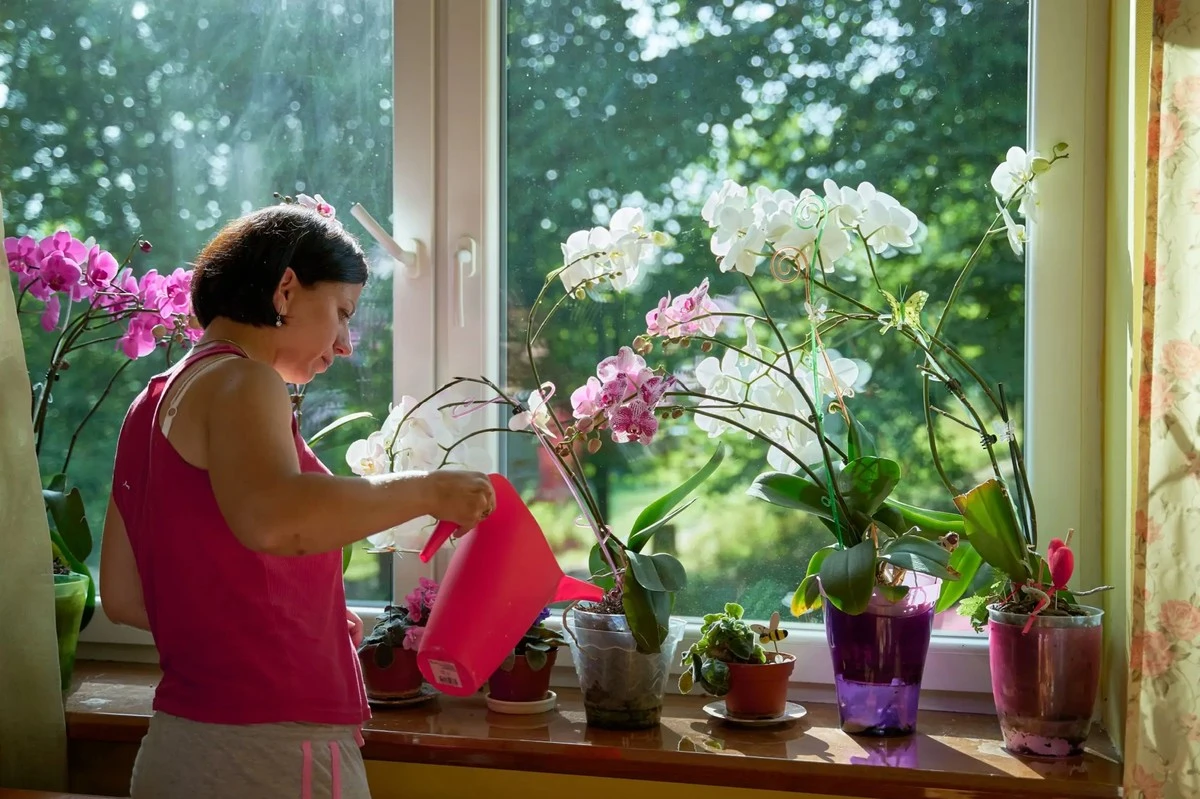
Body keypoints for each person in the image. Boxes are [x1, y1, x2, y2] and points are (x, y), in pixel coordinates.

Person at [100, 202, 495, 799]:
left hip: (181, 746)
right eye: (341, 313)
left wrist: (293, 618)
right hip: (272, 752)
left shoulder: (148, 405)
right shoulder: (244, 380)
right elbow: (277, 517)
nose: (344, 345)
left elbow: (126, 595)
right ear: (285, 289)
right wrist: (427, 489)